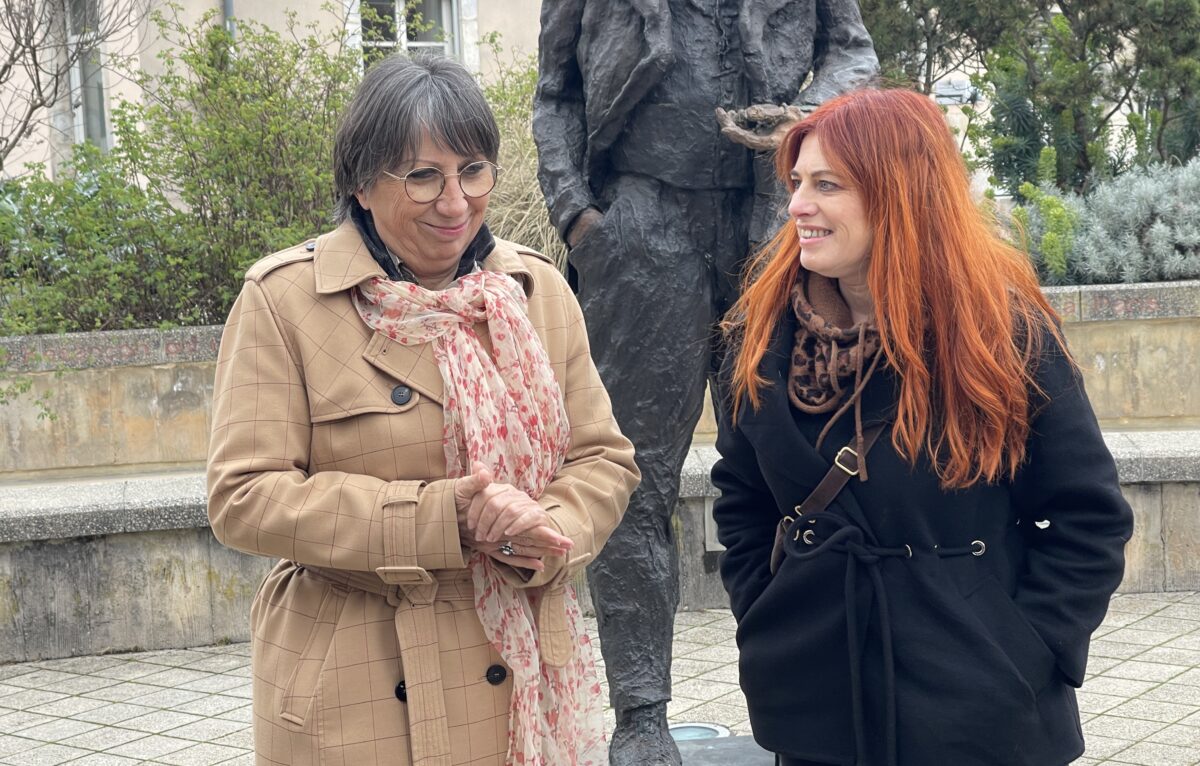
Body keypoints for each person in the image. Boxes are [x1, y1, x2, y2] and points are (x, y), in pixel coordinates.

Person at [207, 54, 639, 766]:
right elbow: (244, 498)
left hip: (517, 669)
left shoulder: (535, 292)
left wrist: (547, 526)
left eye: (473, 170)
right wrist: (441, 520)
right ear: (360, 183)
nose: (455, 202)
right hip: (355, 682)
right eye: (422, 176)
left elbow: (603, 459)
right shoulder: (284, 299)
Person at [712, 88, 1133, 766]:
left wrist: (1025, 648)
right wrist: (767, 613)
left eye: (827, 185)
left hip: (976, 709)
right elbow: (741, 498)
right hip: (816, 698)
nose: (797, 207)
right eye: (796, 184)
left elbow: (1089, 518)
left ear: (897, 195)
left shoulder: (1002, 337)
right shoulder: (762, 339)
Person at [532, 3, 877, 762]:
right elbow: (556, 93)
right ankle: (641, 715)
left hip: (775, 226)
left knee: (798, 473)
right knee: (629, 479)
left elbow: (855, 55)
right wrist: (579, 215)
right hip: (641, 226)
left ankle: (808, 707)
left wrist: (811, 120)